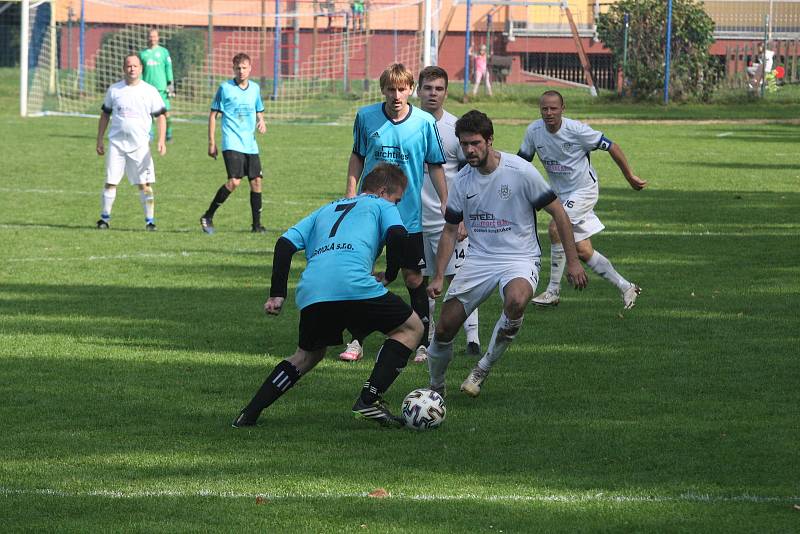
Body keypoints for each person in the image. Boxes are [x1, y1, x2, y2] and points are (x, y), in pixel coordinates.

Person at [232, 164, 423, 429]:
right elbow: (398, 235)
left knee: (306, 356)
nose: (397, 204)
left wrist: (277, 294)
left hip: (313, 290)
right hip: (353, 284)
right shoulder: (382, 205)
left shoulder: (326, 209)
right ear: (382, 191)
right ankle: (369, 399)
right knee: (412, 328)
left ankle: (249, 414)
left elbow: (284, 244)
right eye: (397, 199)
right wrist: (390, 273)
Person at [426, 110, 587, 398]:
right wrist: (439, 276)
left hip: (520, 259)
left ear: (490, 140)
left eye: (475, 143)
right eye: (464, 144)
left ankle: (482, 368)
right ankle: (435, 388)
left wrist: (573, 261)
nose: (469, 150)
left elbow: (559, 213)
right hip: (479, 260)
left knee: (515, 301)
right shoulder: (462, 181)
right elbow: (450, 230)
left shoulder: (520, 171)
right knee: (444, 329)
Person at [338, 63, 447, 362]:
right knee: (361, 275)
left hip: (407, 214)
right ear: (383, 89)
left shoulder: (425, 123)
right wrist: (350, 193)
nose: (396, 95)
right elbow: (357, 156)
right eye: (390, 89)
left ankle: (423, 342)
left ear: (411, 89)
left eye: (402, 89)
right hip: (368, 213)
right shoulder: (366, 117)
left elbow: (435, 164)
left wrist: (445, 200)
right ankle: (356, 341)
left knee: (413, 279)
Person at [518, 90, 647, 309]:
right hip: (561, 194)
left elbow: (612, 146)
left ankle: (553, 291)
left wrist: (629, 176)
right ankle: (627, 287)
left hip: (584, 190)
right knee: (583, 250)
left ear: (562, 109)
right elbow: (522, 163)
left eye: (553, 108)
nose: (548, 113)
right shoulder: (534, 131)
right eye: (544, 109)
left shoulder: (576, 130)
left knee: (556, 228)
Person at [415, 65, 481, 363]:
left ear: (445, 92)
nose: (433, 94)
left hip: (449, 218)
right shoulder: (408, 124)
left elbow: (471, 177)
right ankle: (426, 338)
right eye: (428, 88)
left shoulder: (456, 131)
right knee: (424, 279)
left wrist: (464, 216)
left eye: (439, 88)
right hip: (412, 218)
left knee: (461, 277)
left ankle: (473, 337)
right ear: (418, 90)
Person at [95, 54, 166, 231]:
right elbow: (105, 115)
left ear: (141, 68)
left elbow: (160, 117)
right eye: (128, 66)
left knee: (144, 184)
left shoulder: (149, 91)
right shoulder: (114, 90)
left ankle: (150, 221)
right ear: (123, 68)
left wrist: (161, 140)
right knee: (111, 181)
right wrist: (99, 139)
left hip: (140, 145)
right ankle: (104, 219)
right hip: (116, 144)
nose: (132, 69)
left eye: (135, 66)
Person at [201, 53, 267, 234]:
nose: (241, 71)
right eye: (238, 68)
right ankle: (208, 215)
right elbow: (213, 115)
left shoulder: (254, 88)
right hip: (231, 142)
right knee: (235, 181)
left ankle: (256, 226)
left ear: (250, 68)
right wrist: (211, 142)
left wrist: (261, 121)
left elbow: (258, 109)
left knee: (257, 182)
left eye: (244, 68)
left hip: (250, 144)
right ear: (233, 69)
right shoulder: (225, 88)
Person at [139, 29, 175, 141]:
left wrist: (170, 83)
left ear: (158, 38)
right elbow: (140, 71)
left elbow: (168, 68)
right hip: (147, 89)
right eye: (150, 36)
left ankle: (168, 134)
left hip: (161, 88)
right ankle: (150, 135)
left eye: (154, 36)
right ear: (147, 38)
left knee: (166, 113)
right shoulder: (142, 54)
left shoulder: (164, 52)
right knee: (148, 114)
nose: (152, 39)